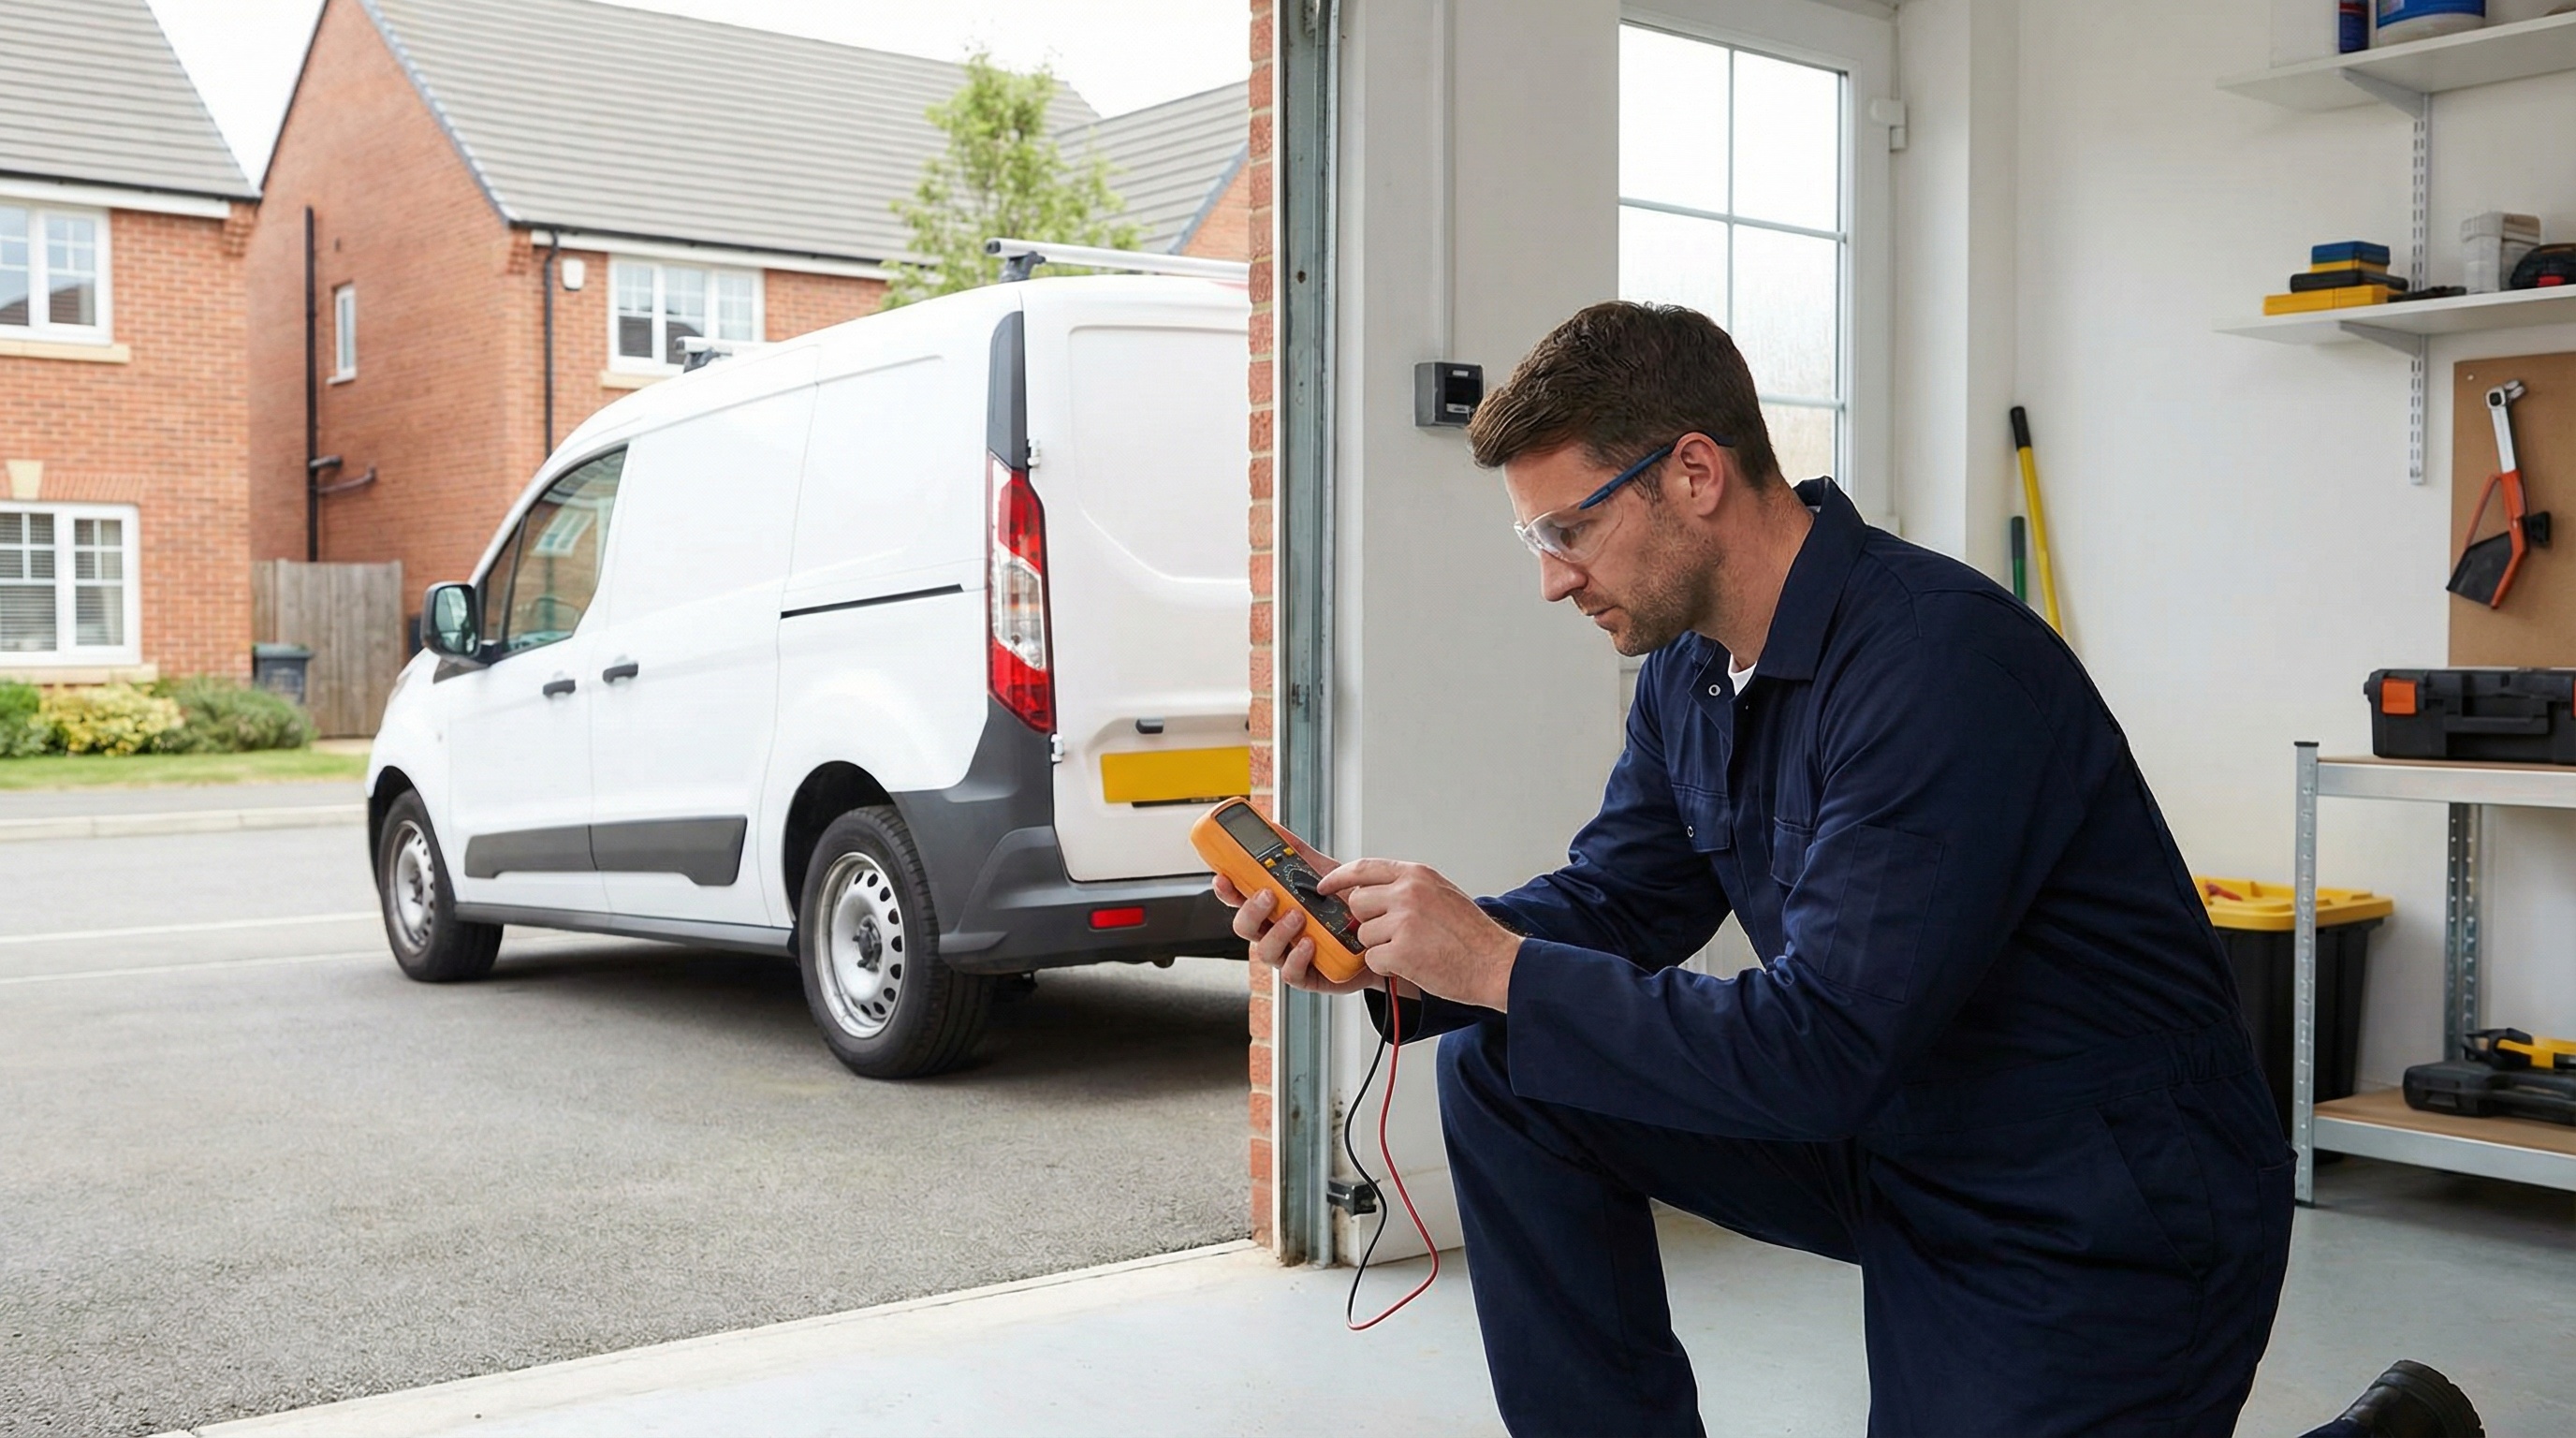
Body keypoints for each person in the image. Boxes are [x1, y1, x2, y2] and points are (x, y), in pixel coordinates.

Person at [1218, 301, 2293, 1436]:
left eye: (1565, 533)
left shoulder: (1938, 666)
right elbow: (1619, 900)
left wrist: (1498, 964)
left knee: (1524, 1008)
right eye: (1535, 543)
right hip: (1898, 1130)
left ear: (1691, 473)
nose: (1551, 581)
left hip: (2091, 1195)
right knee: (1507, 1065)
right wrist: (1406, 955)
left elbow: (1822, 1047)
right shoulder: (1690, 674)